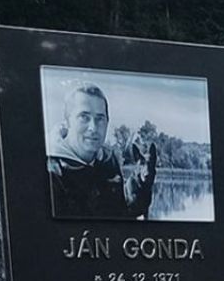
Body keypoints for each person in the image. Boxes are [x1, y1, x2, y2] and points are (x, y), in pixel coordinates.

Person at [46, 83, 157, 220]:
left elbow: (120, 215)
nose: (93, 127)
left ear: (107, 123)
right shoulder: (51, 172)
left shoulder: (109, 161)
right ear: (68, 122)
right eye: (84, 117)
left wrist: (139, 189)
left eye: (100, 119)